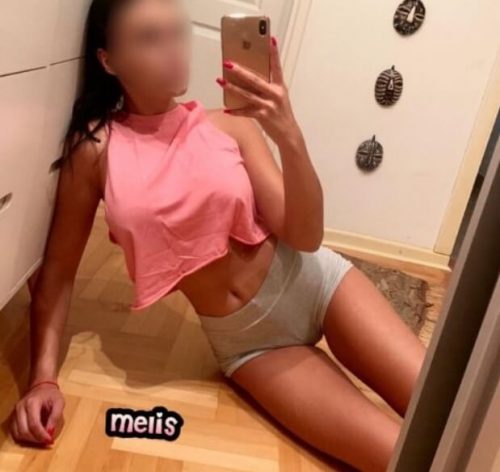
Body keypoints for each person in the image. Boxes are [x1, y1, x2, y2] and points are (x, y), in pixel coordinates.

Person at [9, 1, 427, 470]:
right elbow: (58, 273)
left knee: (443, 406)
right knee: (404, 457)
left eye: (177, 33)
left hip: (319, 288)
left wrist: (288, 134)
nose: (173, 50)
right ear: (109, 60)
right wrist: (43, 380)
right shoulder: (95, 149)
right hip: (251, 344)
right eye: (149, 38)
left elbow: (306, 236)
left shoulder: (231, 124)